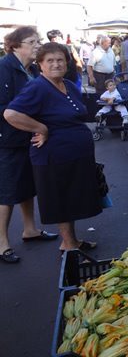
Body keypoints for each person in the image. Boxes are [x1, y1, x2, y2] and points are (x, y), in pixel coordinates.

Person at [4, 42, 102, 253]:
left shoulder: (68, 84)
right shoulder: (37, 87)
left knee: (71, 199)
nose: (56, 64)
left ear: (67, 63)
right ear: (40, 64)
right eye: (50, 60)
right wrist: (40, 128)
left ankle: (72, 241)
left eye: (60, 60)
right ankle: (68, 245)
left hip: (75, 154)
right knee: (62, 200)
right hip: (54, 156)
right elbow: (11, 114)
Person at [0, 27, 58, 263]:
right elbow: (5, 108)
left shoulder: (32, 69)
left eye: (38, 41)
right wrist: (35, 124)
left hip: (28, 136)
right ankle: (2, 243)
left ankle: (30, 229)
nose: (37, 45)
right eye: (32, 42)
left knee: (27, 184)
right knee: (6, 191)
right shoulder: (4, 68)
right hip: (8, 139)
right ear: (15, 45)